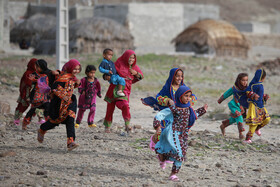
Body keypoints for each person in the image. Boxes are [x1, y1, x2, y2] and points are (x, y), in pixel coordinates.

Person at [154, 85, 207, 181]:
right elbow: (161, 114)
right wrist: (157, 125)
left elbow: (193, 116)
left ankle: (172, 173)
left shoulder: (188, 109)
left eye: (189, 96)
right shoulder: (174, 108)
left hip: (183, 135)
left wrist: (202, 110)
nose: (188, 98)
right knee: (179, 153)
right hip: (173, 134)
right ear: (179, 96)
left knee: (180, 153)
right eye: (185, 96)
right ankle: (172, 173)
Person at [141, 68, 197, 150]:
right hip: (169, 114)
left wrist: (188, 101)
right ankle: (155, 141)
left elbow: (193, 97)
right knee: (165, 133)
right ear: (172, 76)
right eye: (177, 76)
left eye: (181, 76)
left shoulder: (183, 87)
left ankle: (170, 154)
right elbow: (159, 97)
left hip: (180, 115)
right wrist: (167, 100)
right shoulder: (167, 88)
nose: (179, 78)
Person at [37, 59, 81, 151]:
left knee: (70, 119)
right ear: (70, 68)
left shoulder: (73, 78)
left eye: (78, 69)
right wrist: (63, 95)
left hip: (69, 103)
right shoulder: (63, 77)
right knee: (54, 122)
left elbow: (70, 87)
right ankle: (42, 129)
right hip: (58, 104)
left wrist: (77, 84)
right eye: (75, 69)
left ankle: (70, 142)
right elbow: (54, 88)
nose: (76, 71)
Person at [103, 50, 143, 133]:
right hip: (113, 89)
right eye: (130, 57)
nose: (131, 59)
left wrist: (135, 73)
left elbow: (140, 76)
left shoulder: (134, 67)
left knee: (124, 105)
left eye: (133, 58)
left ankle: (127, 124)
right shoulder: (117, 64)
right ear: (125, 57)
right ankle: (107, 127)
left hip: (125, 90)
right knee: (110, 109)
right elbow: (107, 73)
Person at [217, 73, 249, 139]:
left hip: (241, 107)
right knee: (239, 115)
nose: (245, 82)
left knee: (234, 119)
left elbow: (252, 96)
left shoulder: (247, 89)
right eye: (243, 80)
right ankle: (241, 134)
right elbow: (227, 93)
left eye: (246, 80)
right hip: (233, 105)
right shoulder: (235, 88)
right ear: (239, 80)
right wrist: (220, 99)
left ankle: (223, 126)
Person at [22, 59, 51, 130]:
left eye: (38, 67)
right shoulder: (35, 74)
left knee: (47, 109)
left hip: (44, 97)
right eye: (36, 67)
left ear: (43, 67)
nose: (37, 68)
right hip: (36, 97)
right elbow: (30, 82)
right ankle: (25, 123)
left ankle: (48, 124)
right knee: (32, 111)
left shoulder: (47, 74)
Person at [244, 68, 270, 143]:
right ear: (262, 77)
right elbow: (248, 91)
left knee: (267, 119)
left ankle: (257, 129)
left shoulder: (260, 85)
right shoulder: (252, 85)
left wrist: (264, 97)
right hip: (254, 106)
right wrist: (253, 95)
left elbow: (260, 95)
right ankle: (248, 139)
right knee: (254, 123)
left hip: (260, 106)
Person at [14, 58, 38, 126]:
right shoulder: (28, 73)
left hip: (34, 94)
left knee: (37, 106)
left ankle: (39, 119)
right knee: (22, 106)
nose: (36, 67)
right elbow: (27, 86)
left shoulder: (35, 73)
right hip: (26, 94)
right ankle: (16, 119)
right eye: (35, 65)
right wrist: (27, 96)